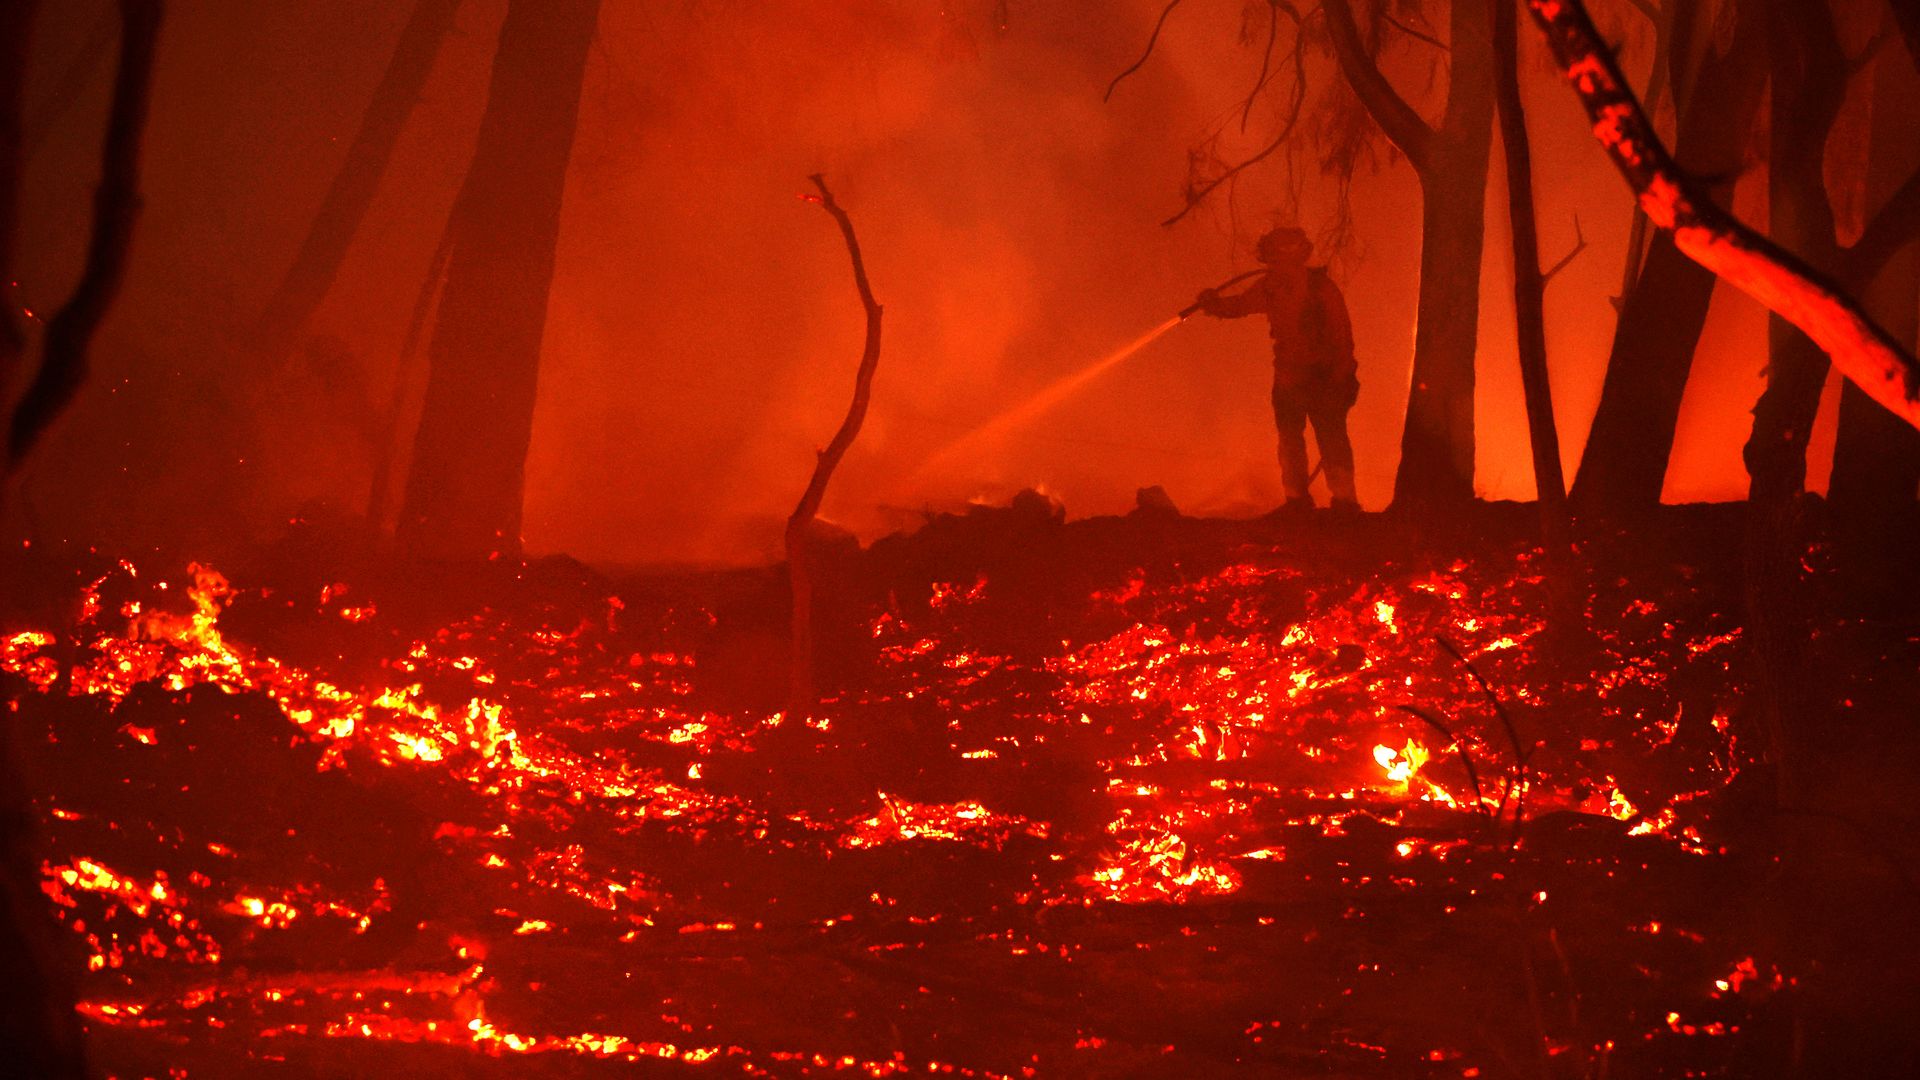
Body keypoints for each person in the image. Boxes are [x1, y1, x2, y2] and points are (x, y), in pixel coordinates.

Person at [1194, 226, 1360, 514]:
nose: (1279, 263)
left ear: (1298, 255)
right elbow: (1241, 305)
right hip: (1289, 377)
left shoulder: (1322, 289)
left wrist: (1344, 376)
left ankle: (1344, 503)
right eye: (1276, 256)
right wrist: (1214, 304)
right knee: (1290, 440)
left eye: (1285, 255)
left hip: (1323, 376)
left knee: (1330, 439)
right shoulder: (1271, 287)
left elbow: (1341, 335)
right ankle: (1297, 501)